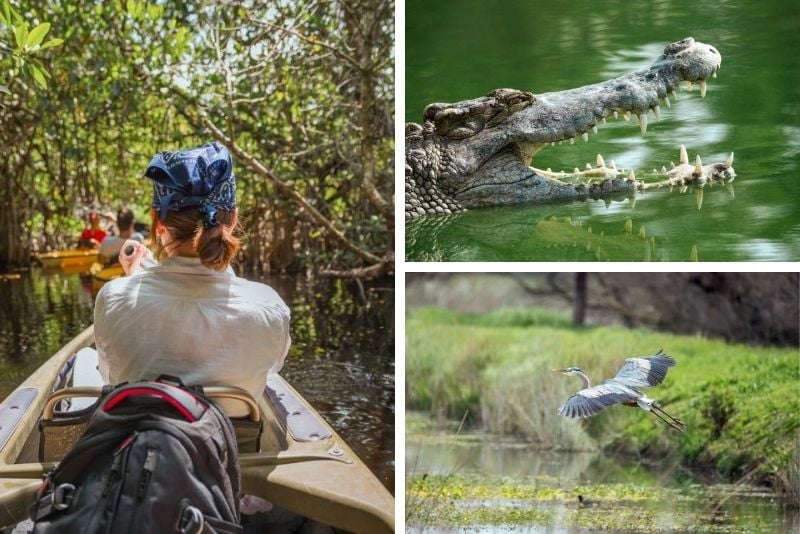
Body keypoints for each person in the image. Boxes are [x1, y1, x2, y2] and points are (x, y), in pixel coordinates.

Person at [93, 142, 291, 414]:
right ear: (232, 219)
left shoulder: (114, 297)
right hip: (231, 450)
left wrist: (130, 281)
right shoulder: (269, 306)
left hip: (141, 447)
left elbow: (110, 376)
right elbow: (270, 370)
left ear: (158, 221)